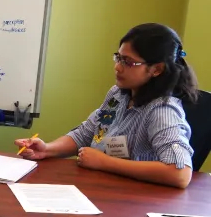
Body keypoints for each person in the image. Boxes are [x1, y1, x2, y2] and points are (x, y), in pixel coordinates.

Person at [15, 23, 199, 189]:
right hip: (103, 187)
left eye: (128, 62)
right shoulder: (118, 95)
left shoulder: (162, 110)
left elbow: (179, 173)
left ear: (156, 69)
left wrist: (104, 162)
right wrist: (47, 149)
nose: (118, 67)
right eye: (118, 58)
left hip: (136, 202)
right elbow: (86, 133)